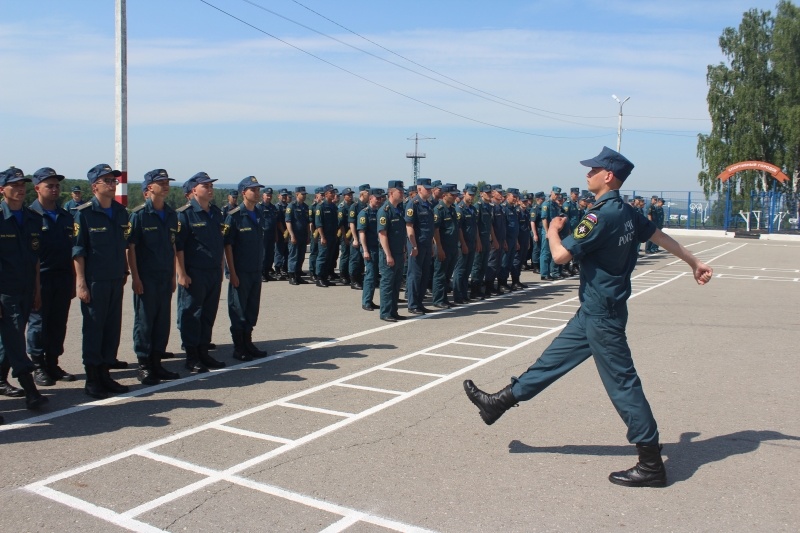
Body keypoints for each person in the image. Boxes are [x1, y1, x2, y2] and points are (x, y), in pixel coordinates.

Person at [463, 147, 714, 488]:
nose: (587, 175)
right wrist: (693, 262)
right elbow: (658, 236)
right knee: (551, 361)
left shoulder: (601, 216)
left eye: (592, 170)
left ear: (608, 175)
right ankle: (499, 402)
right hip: (597, 309)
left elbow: (561, 254)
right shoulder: (626, 211)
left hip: (602, 314)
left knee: (623, 385)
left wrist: (552, 229)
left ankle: (651, 463)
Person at [73, 163, 131, 398]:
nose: (112, 184)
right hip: (95, 280)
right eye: (107, 180)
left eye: (113, 180)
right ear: (94, 186)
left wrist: (125, 270)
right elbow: (78, 250)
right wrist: (81, 282)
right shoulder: (84, 213)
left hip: (115, 278)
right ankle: (92, 378)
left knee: (112, 328)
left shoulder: (120, 212)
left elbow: (124, 245)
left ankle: (106, 373)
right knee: (94, 329)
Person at [0, 167, 48, 414]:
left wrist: (37, 290)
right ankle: (30, 390)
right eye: (14, 185)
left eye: (22, 185)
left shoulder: (32, 218)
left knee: (10, 337)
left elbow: (35, 258)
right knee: (15, 340)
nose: (20, 189)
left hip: (26, 288)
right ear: (2, 190)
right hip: (5, 292)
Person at [127, 169, 181, 385]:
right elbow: (131, 248)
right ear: (149, 188)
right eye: (161, 182)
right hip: (146, 277)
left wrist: (173, 275)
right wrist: (135, 277)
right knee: (145, 321)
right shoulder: (139, 215)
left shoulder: (170, 214)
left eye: (167, 181)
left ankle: (157, 362)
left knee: (161, 321)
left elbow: (172, 245)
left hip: (164, 276)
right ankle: (144, 365)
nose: (166, 185)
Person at [26, 167, 76, 386]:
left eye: (57, 185)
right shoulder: (30, 216)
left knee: (58, 322)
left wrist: (74, 280)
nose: (55, 189)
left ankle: (52, 362)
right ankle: (38, 366)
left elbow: (73, 250)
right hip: (41, 278)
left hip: (63, 277)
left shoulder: (66, 216)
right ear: (37, 188)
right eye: (50, 185)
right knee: (38, 324)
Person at [175, 172, 227, 374]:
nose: (210, 188)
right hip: (194, 272)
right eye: (205, 186)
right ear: (194, 190)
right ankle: (192, 356)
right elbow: (178, 247)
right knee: (192, 313)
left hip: (213, 271)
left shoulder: (216, 212)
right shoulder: (185, 214)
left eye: (211, 185)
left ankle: (204, 351)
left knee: (208, 313)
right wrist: (181, 273)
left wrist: (221, 267)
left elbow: (219, 242)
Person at [224, 176, 268, 361]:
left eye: (258, 190)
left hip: (255, 269)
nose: (257, 193)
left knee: (251, 308)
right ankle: (239, 346)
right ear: (244, 193)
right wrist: (232, 273)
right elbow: (228, 247)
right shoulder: (234, 216)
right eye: (253, 190)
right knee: (238, 309)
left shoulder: (258, 213)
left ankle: (248, 341)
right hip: (240, 271)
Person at [405, 178, 435, 314]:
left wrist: (432, 245)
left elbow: (430, 227)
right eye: (426, 188)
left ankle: (419, 302)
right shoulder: (413, 204)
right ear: (419, 189)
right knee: (414, 275)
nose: (429, 190)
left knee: (424, 275)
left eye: (430, 188)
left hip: (427, 244)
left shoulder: (428, 204)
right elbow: (409, 226)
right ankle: (412, 304)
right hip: (417, 245)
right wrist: (414, 246)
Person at [378, 181, 407, 322]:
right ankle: (385, 312)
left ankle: (393, 311)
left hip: (399, 253)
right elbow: (382, 235)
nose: (402, 194)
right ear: (391, 193)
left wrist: (403, 251)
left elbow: (400, 233)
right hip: (389, 254)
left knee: (396, 284)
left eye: (402, 191)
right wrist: (388, 254)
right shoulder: (385, 211)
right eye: (399, 191)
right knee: (388, 284)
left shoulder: (398, 210)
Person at [431, 184, 461, 309]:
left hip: (453, 246)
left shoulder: (452, 209)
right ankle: (438, 299)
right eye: (452, 195)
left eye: (455, 195)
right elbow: (436, 230)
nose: (455, 197)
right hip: (443, 246)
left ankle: (444, 298)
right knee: (440, 274)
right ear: (444, 195)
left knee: (448, 275)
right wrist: (439, 247)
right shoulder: (439, 209)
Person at [357, 188, 384, 311]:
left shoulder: (379, 212)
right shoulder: (364, 213)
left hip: (378, 248)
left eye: (380, 198)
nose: (379, 200)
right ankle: (366, 301)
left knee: (375, 276)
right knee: (370, 275)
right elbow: (362, 233)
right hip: (370, 248)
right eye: (377, 198)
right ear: (370, 198)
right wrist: (365, 250)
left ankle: (370, 300)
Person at [469, 185, 497, 300]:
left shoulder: (489, 207)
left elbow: (490, 225)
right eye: (487, 192)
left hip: (486, 240)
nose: (489, 194)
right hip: (479, 240)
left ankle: (480, 289)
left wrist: (493, 239)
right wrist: (478, 241)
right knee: (477, 266)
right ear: (481, 194)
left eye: (490, 192)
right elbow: (475, 226)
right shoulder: (478, 206)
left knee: (484, 266)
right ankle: (474, 291)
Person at [453, 184, 479, 304]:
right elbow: (459, 229)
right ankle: (458, 296)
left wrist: (478, 241)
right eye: (470, 194)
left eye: (473, 195)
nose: (471, 197)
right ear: (464, 193)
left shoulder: (472, 209)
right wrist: (462, 244)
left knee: (467, 270)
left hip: (472, 243)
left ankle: (464, 294)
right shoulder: (459, 208)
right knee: (460, 270)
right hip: (463, 244)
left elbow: (475, 227)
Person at [285, 186, 311, 285]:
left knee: (301, 256)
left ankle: (298, 275)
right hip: (295, 235)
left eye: (305, 194)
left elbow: (308, 223)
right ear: (297, 194)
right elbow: (288, 222)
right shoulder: (291, 206)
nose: (304, 196)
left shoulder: (305, 207)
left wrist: (308, 235)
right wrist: (292, 235)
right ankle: (292, 276)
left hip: (303, 235)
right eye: (302, 194)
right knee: (293, 256)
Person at [315, 184, 339, 287]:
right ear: (325, 194)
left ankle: (325, 277)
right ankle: (319, 278)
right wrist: (323, 237)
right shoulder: (321, 206)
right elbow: (319, 223)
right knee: (322, 257)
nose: (333, 194)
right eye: (331, 192)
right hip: (325, 236)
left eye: (334, 192)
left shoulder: (333, 206)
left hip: (332, 236)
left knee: (329, 257)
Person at [348, 184, 370, 290]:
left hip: (365, 238)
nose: (369, 194)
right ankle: (354, 280)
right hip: (357, 237)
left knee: (362, 261)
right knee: (355, 259)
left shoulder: (367, 206)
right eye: (367, 192)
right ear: (362, 194)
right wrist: (355, 239)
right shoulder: (355, 206)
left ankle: (360, 279)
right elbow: (352, 223)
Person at [259, 188, 278, 281]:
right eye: (267, 195)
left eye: (270, 195)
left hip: (271, 234)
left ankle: (267, 272)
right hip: (263, 234)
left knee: (270, 255)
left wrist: (276, 235)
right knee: (263, 254)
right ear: (263, 196)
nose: (269, 197)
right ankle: (261, 273)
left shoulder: (273, 207)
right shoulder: (259, 207)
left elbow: (274, 222)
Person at [337, 188, 355, 285]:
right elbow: (341, 225)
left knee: (352, 255)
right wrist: (344, 237)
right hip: (345, 234)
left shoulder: (353, 205)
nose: (350, 196)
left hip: (353, 233)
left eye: (351, 194)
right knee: (345, 255)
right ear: (344, 196)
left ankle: (349, 273)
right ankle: (343, 275)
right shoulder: (342, 207)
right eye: (348, 195)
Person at [274, 189, 290, 280]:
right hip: (280, 233)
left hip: (288, 232)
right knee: (279, 252)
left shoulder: (288, 206)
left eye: (285, 195)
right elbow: (278, 222)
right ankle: (277, 270)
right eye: (282, 195)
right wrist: (284, 232)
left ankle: (284, 269)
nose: (284, 197)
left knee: (287, 252)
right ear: (279, 196)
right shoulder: (277, 207)